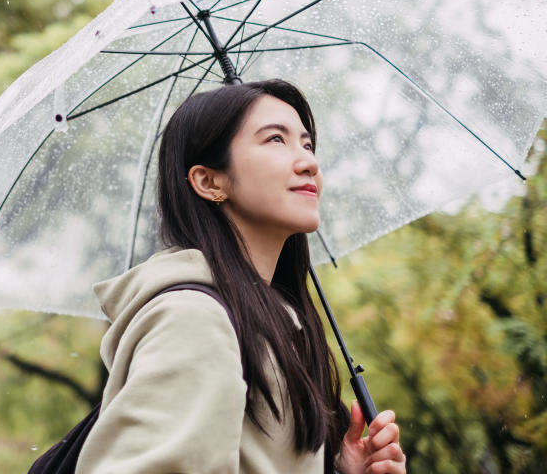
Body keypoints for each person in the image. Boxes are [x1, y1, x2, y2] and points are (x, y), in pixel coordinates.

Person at [74, 79, 406, 474]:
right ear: (209, 182)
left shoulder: (272, 323)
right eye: (275, 141)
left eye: (306, 143)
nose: (309, 163)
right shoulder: (195, 319)